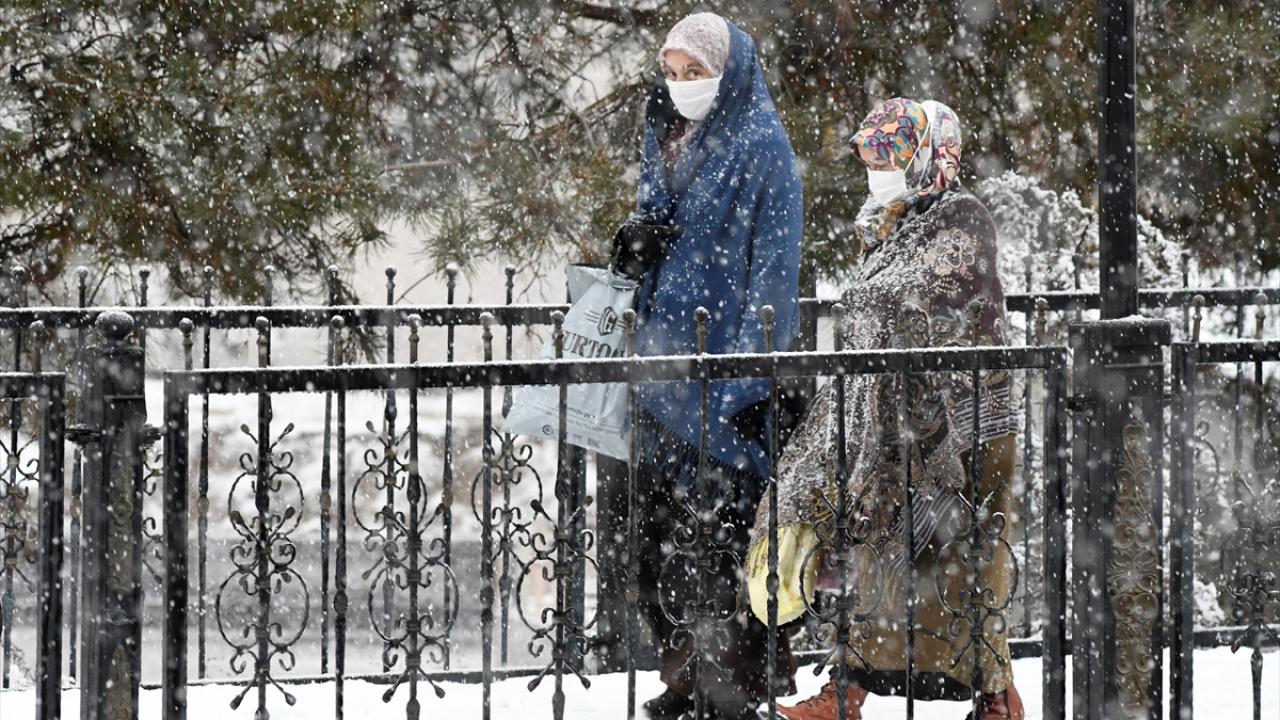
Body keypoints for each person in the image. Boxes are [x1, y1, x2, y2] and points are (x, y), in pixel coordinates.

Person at [743, 98, 1025, 720]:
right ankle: (847, 691)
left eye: (890, 159)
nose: (878, 174)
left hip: (961, 423)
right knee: (877, 559)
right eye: (871, 161)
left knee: (961, 566)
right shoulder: (887, 228)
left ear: (927, 157)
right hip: (892, 428)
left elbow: (945, 306)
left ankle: (995, 697)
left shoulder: (961, 216)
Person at [612, 11, 803, 720]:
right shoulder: (664, 131)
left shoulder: (762, 147)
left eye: (695, 71)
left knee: (724, 538)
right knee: (659, 538)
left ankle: (734, 684)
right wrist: (635, 242)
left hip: (724, 374)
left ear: (728, 73)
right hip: (662, 365)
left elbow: (774, 276)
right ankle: (685, 674)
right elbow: (653, 217)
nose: (681, 84)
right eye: (672, 71)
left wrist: (752, 379)